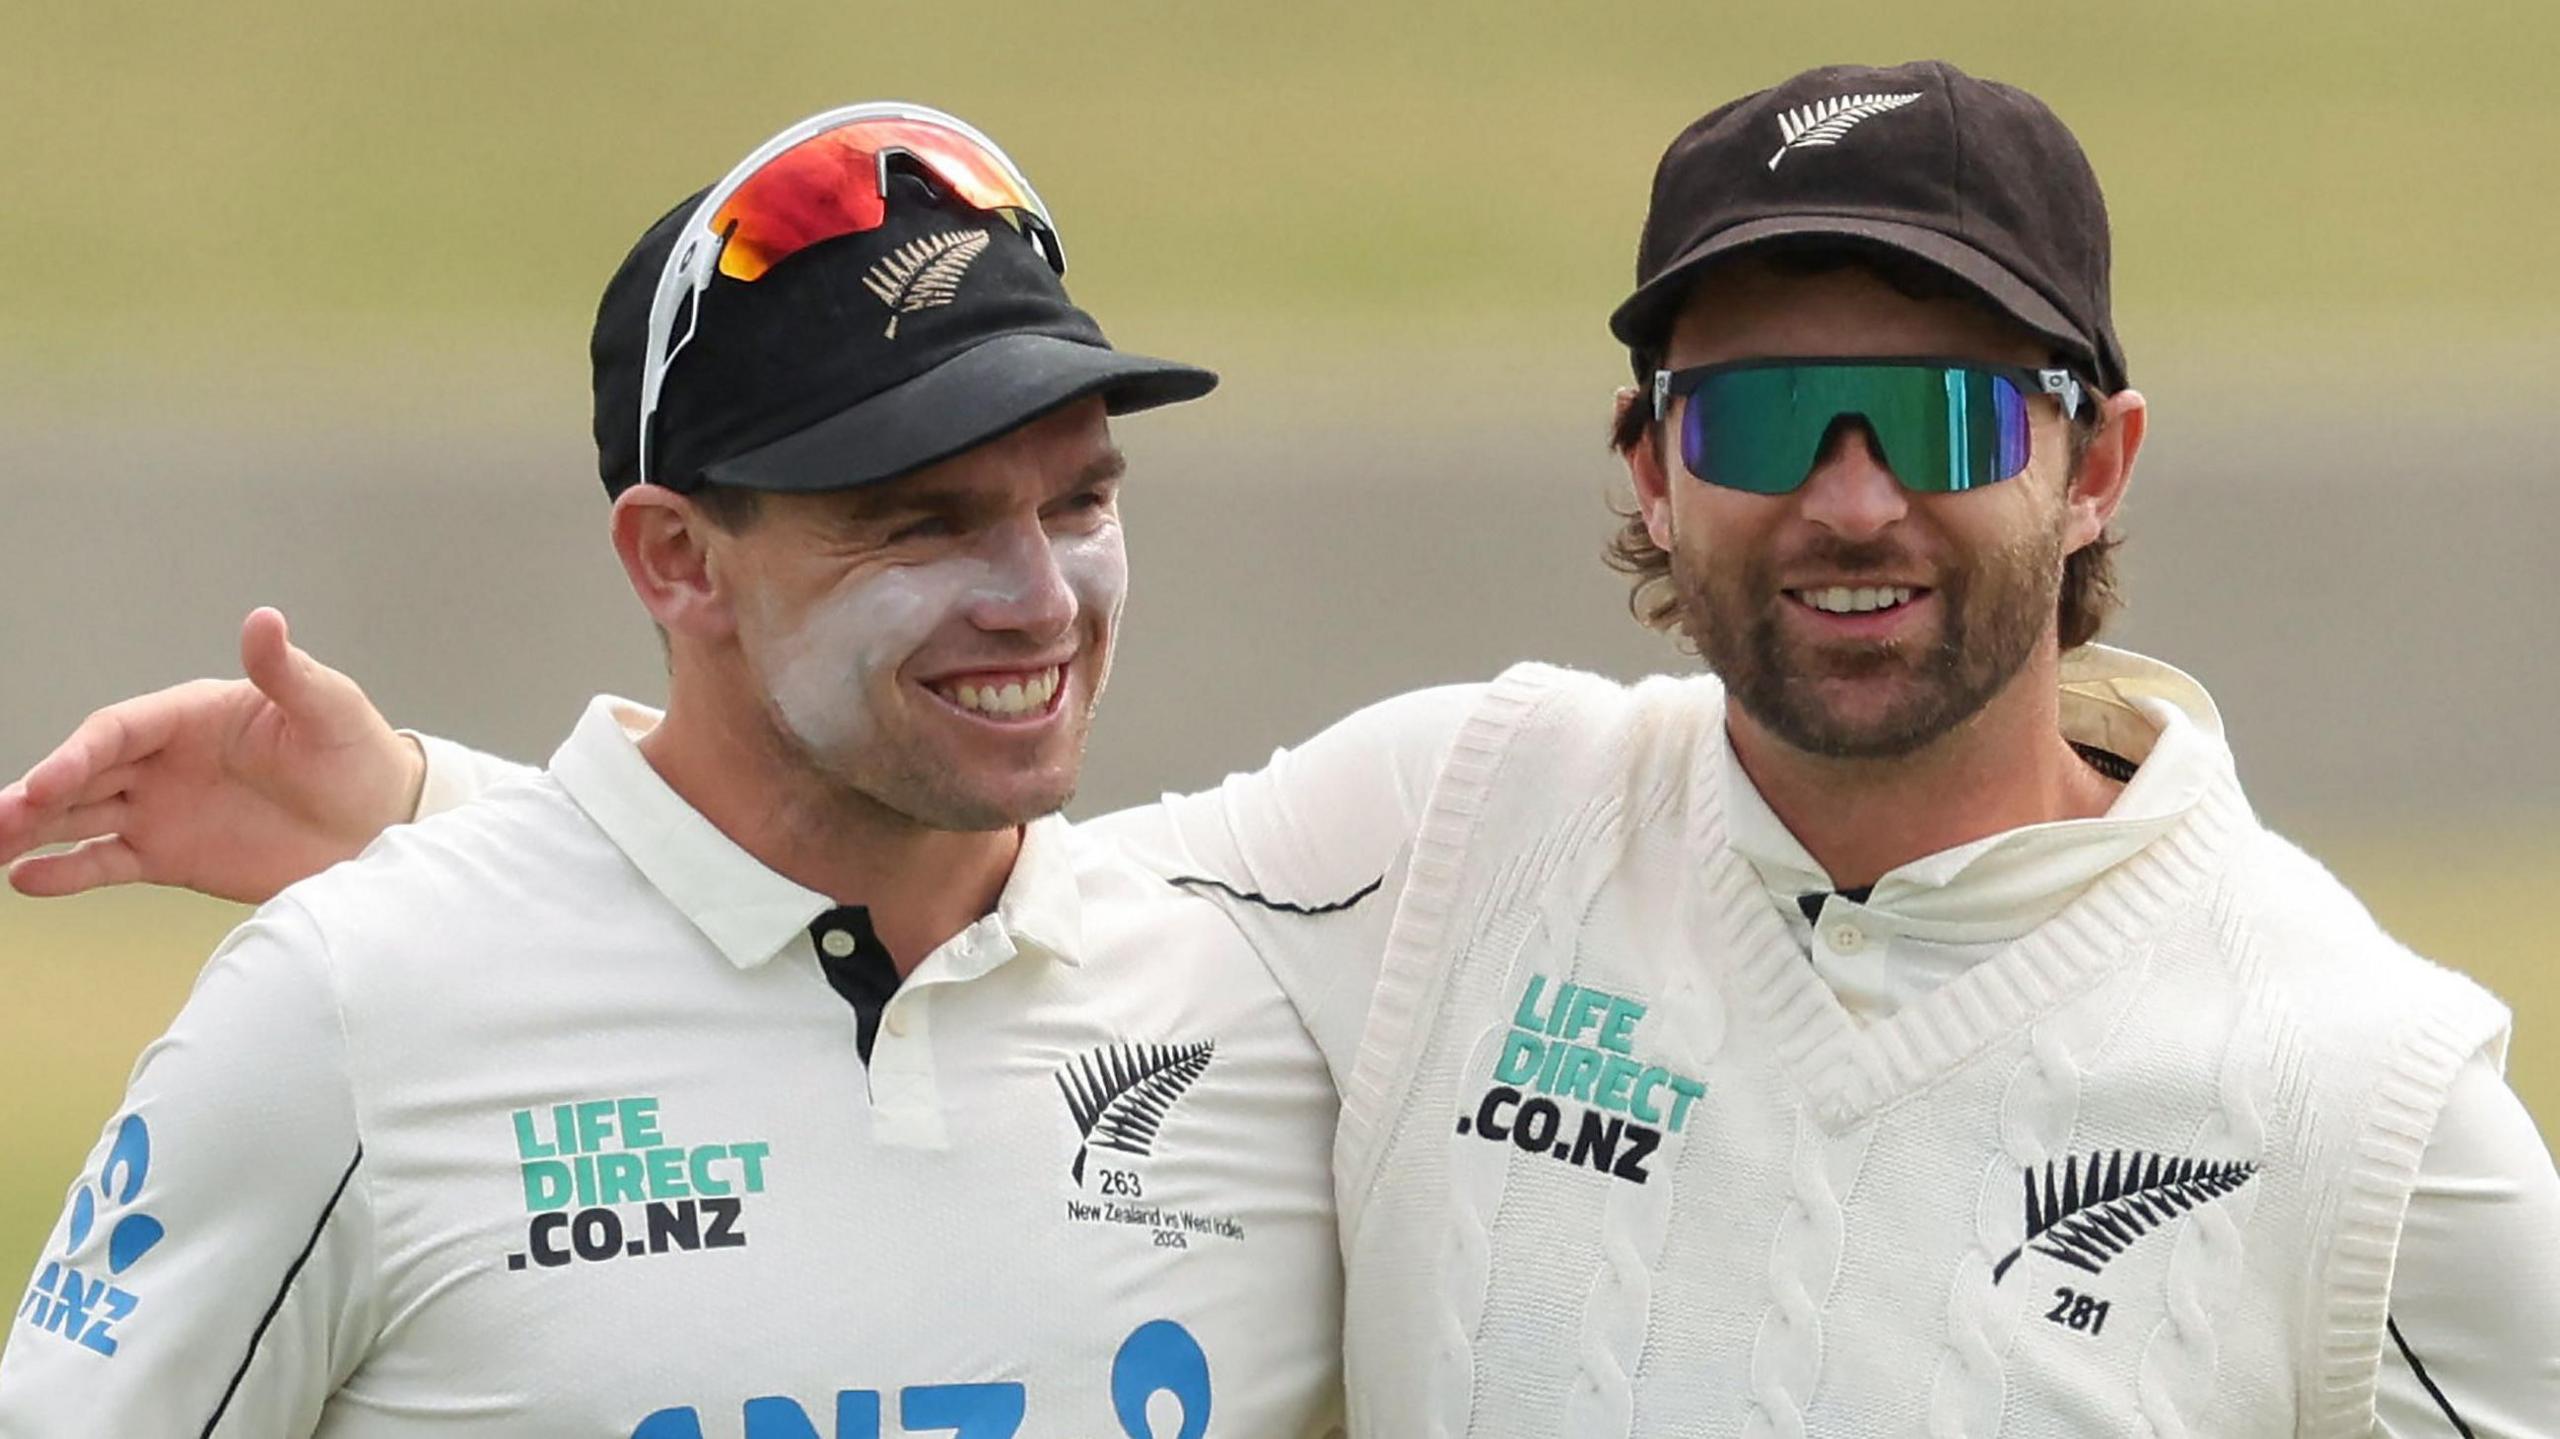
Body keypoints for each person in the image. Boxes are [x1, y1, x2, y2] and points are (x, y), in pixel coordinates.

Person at [8, 62, 2555, 1437]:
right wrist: (448, 836)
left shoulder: (2358, 1095)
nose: (1852, 498)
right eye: (1766, 418)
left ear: (2093, 463)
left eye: (1942, 409)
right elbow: (896, 908)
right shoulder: (1447, 839)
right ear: (1647, 465)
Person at [0, 103, 1345, 1436]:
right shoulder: (343, 1012)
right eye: (923, 525)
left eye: (1080, 502)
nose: (1039, 599)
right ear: (679, 560)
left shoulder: (1270, 1019)